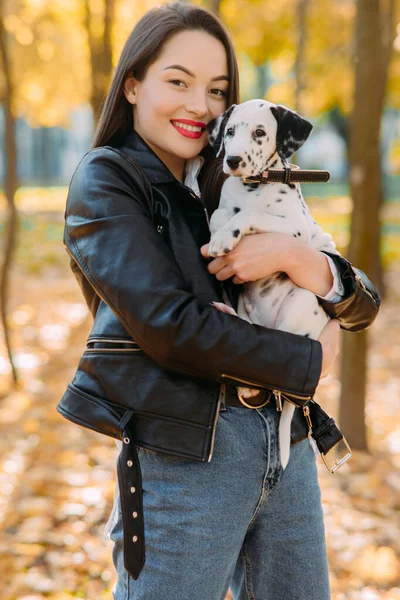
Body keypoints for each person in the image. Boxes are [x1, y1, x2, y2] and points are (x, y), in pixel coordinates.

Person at [57, 2, 380, 599]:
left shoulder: (237, 178)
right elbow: (173, 328)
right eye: (177, 81)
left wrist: (297, 260)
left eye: (216, 89)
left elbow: (361, 303)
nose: (199, 106)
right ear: (132, 83)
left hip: (287, 451)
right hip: (184, 460)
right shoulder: (107, 181)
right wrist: (311, 362)